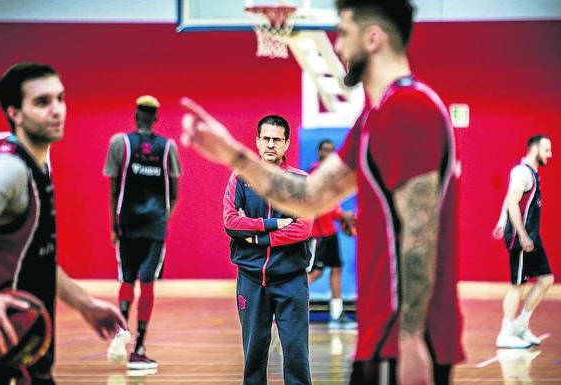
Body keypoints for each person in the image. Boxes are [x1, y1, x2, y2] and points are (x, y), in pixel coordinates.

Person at [179, 0, 465, 384]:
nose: (339, 46)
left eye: (344, 33)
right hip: (383, 334)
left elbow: (421, 233)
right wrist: (234, 154)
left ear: (373, 38)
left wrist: (412, 338)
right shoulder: (376, 116)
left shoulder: (409, 109)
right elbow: (312, 193)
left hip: (405, 340)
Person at [0, 62, 127, 385]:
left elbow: (35, 261)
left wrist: (85, 304)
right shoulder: (7, 170)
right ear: (15, 112)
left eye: (61, 98)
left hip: (26, 343)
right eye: (43, 102)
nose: (57, 110)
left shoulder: (37, 165)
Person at [223, 115, 313, 384]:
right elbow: (230, 222)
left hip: (291, 281)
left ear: (286, 144)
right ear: (257, 142)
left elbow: (303, 228)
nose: (271, 144)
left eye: (277, 139)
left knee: (297, 356)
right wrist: (272, 224)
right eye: (266, 139)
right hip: (251, 281)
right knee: (253, 357)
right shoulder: (240, 178)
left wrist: (256, 238)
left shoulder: (300, 182)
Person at [103, 95, 181, 370]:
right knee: (147, 282)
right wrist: (161, 220)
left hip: (127, 224)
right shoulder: (168, 147)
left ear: (136, 116)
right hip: (154, 227)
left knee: (127, 279)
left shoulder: (119, 143)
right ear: (156, 118)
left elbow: (114, 189)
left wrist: (114, 226)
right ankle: (139, 349)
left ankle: (120, 333)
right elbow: (175, 192)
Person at [492, 135, 554, 349]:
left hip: (531, 235)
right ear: (535, 149)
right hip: (521, 237)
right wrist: (522, 234)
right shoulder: (521, 172)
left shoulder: (531, 173)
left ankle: (521, 325)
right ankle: (505, 332)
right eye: (547, 150)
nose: (550, 154)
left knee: (546, 279)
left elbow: (510, 197)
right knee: (517, 285)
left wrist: (501, 220)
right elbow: (513, 202)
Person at [307, 139, 357, 330]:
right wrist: (340, 215)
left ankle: (337, 314)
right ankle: (287, 305)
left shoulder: (334, 176)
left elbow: (333, 203)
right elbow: (318, 205)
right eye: (324, 150)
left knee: (336, 268)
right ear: (319, 152)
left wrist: (343, 217)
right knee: (316, 272)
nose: (328, 153)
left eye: (331, 151)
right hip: (316, 234)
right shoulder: (314, 174)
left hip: (330, 232)